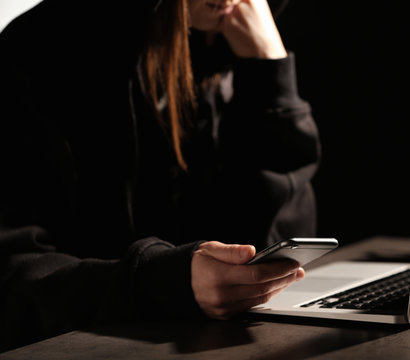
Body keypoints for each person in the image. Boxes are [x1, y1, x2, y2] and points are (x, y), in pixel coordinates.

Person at [0, 0, 320, 351]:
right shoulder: (40, 52)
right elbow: (13, 276)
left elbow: (279, 249)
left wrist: (268, 73)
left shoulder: (222, 40)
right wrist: (164, 283)